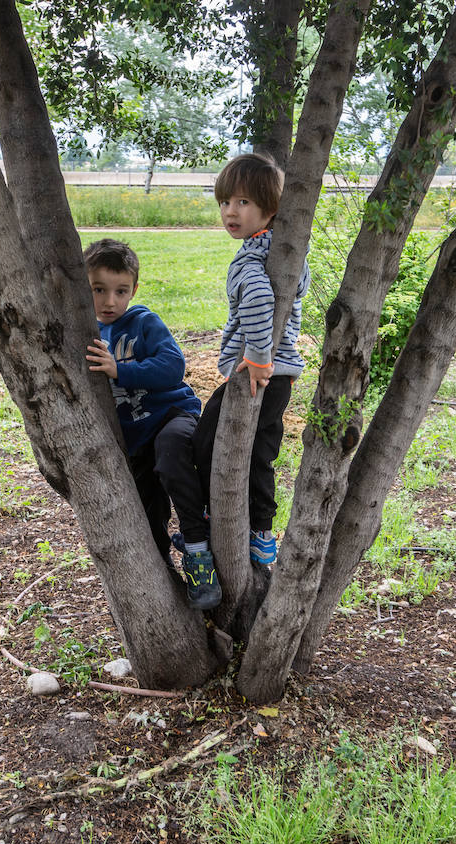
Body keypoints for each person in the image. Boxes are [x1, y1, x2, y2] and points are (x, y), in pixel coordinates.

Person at [84, 238, 222, 611]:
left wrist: (120, 370)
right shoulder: (84, 332)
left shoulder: (142, 322)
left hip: (171, 416)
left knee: (173, 453)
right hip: (135, 441)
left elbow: (173, 366)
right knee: (148, 513)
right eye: (99, 290)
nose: (109, 301)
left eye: (120, 291)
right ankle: (162, 578)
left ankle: (197, 550)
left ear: (134, 290)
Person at [193, 152, 308, 567]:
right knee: (261, 450)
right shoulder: (282, 252)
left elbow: (260, 300)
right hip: (279, 375)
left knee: (208, 438)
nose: (230, 211)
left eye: (243, 202)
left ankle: (216, 516)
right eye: (225, 201)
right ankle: (260, 532)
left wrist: (259, 358)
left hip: (259, 372)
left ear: (269, 209)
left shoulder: (251, 258)